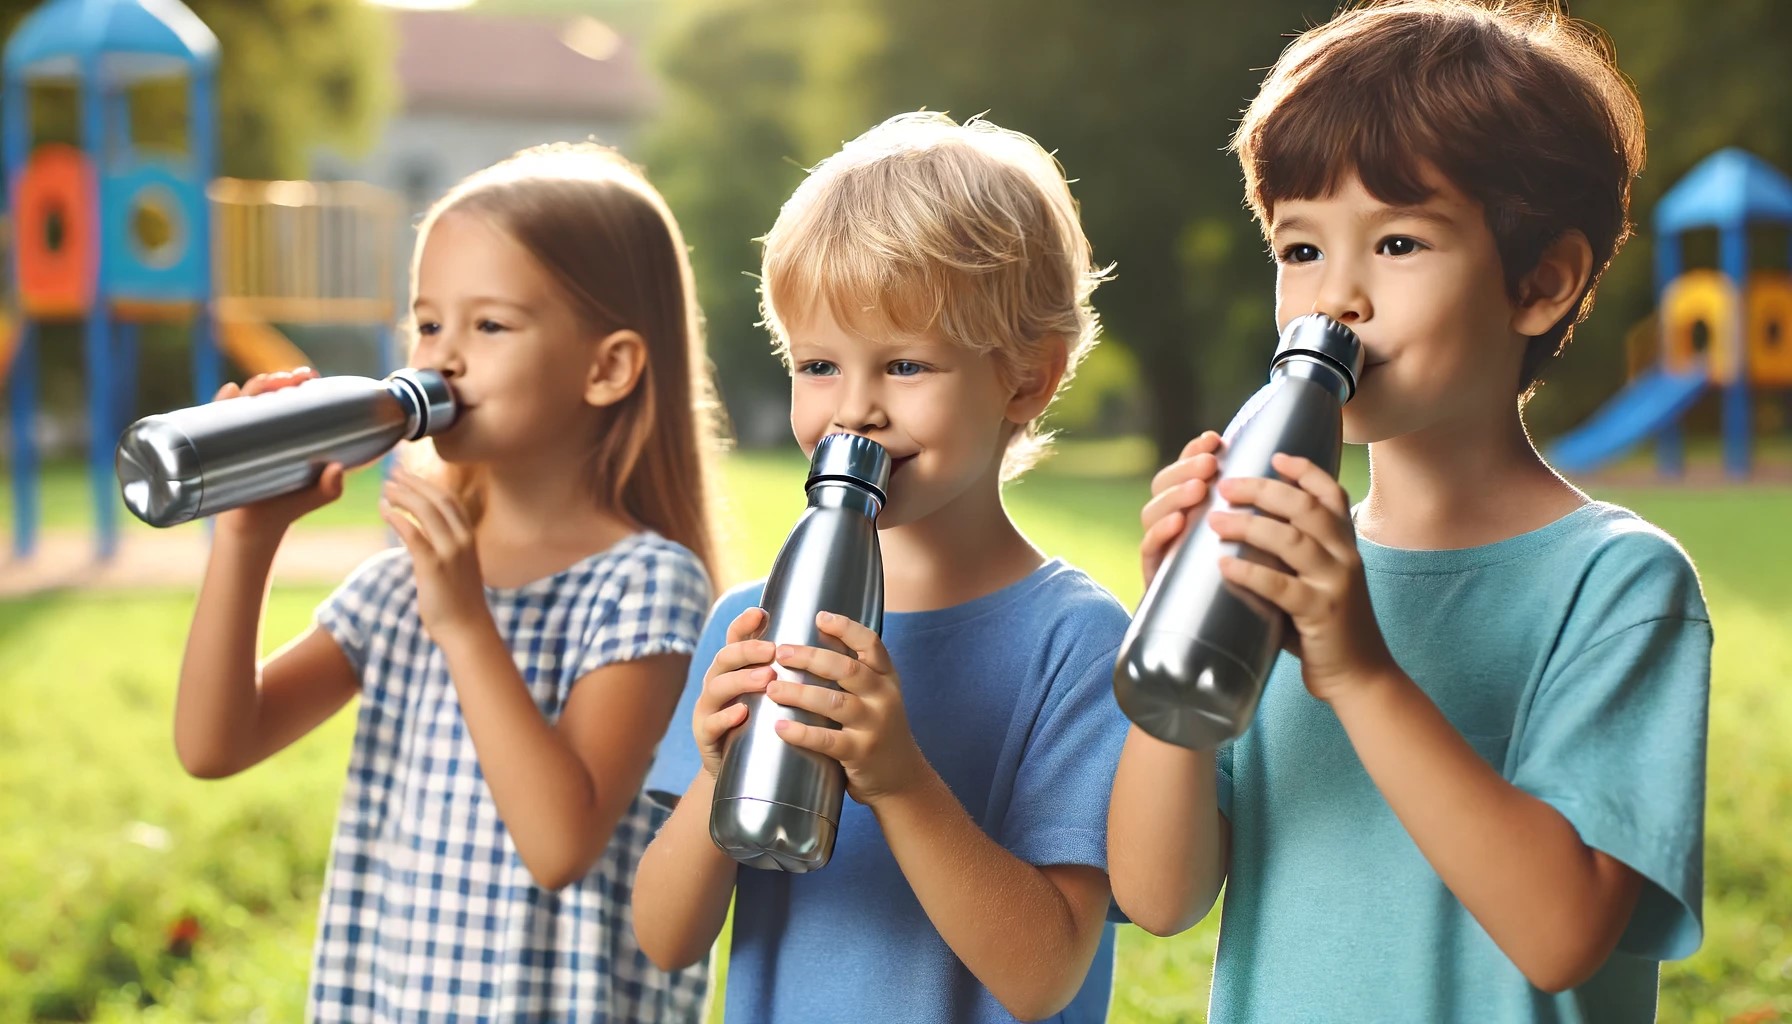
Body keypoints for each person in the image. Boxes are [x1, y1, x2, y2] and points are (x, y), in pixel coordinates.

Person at [1109, 3, 1712, 1020]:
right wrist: (1178, 625)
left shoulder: (1616, 585)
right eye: (1298, 249)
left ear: (1539, 282)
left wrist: (1356, 669)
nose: (1333, 295)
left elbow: (1562, 933)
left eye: (1395, 242)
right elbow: (1158, 895)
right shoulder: (1281, 568)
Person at [172, 142, 723, 1022]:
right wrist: (245, 539)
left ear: (607, 367)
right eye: (428, 324)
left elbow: (561, 845)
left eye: (490, 326)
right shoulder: (403, 584)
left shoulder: (643, 584)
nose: (442, 360)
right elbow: (215, 744)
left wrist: (467, 623)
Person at [631, 111, 1132, 1023]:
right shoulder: (751, 623)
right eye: (817, 363)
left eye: (904, 364)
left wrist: (900, 781)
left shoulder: (1079, 643)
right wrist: (718, 774)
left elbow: (1045, 974)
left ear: (1025, 379)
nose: (851, 410)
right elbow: (665, 940)